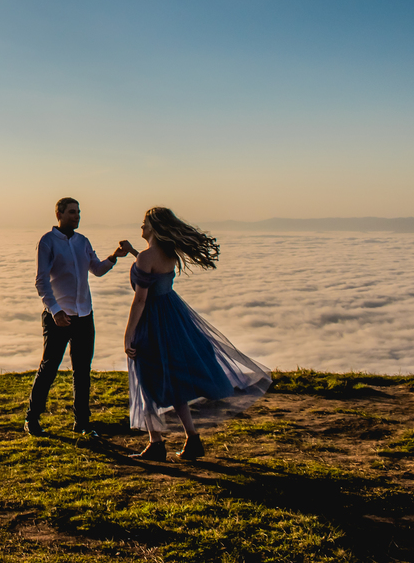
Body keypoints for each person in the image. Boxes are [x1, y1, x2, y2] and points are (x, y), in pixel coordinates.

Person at [118, 207, 270, 461]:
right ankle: (192, 439)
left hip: (153, 322)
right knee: (175, 382)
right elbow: (153, 272)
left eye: (144, 223)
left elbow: (141, 300)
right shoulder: (168, 254)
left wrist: (128, 335)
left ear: (154, 227)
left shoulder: (146, 257)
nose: (141, 227)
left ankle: (156, 444)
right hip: (174, 318)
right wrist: (134, 252)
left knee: (146, 381)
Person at [25, 197, 125, 436]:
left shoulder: (83, 241)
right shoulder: (48, 241)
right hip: (57, 316)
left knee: (82, 370)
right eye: (72, 212)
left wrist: (114, 256)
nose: (77, 216)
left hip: (84, 315)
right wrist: (55, 310)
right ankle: (32, 419)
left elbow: (97, 270)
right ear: (58, 214)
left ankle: (82, 423)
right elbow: (41, 281)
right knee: (49, 368)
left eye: (78, 212)